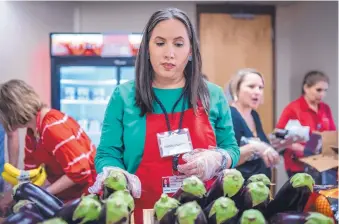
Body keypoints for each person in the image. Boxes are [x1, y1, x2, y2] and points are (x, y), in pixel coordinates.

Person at [93, 8, 240, 223]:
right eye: (160, 43)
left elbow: (231, 149)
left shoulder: (213, 95)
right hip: (141, 212)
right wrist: (114, 173)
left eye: (179, 44)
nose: (169, 53)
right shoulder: (123, 96)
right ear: (147, 49)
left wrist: (218, 159)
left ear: (190, 51)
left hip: (201, 213)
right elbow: (107, 152)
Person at [0, 79, 97, 214]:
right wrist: (12, 194)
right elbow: (30, 173)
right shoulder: (32, 133)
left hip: (87, 199)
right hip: (67, 198)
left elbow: (80, 171)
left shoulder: (52, 127)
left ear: (13, 110)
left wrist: (42, 194)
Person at [275, 71, 336, 182]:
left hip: (321, 164)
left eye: (325, 90)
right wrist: (302, 149)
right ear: (306, 88)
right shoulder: (293, 109)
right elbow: (279, 136)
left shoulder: (325, 108)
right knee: (304, 198)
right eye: (318, 90)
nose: (322, 94)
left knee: (322, 198)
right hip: (298, 165)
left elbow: (332, 134)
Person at [226, 68, 280, 180]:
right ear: (236, 89)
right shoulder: (230, 115)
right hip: (238, 189)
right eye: (251, 86)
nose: (257, 92)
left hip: (260, 189)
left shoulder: (254, 115)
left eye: (260, 88)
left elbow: (261, 145)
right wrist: (255, 147)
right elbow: (226, 159)